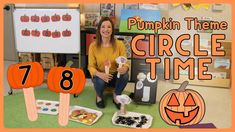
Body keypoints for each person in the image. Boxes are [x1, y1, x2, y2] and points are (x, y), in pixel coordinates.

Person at [88, 17, 129, 109]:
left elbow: (125, 62)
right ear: (99, 29)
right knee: (99, 81)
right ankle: (99, 96)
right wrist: (100, 74)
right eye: (103, 27)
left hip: (115, 75)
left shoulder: (119, 44)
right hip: (100, 75)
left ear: (112, 29)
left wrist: (124, 68)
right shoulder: (93, 46)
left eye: (109, 27)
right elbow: (91, 66)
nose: (106, 29)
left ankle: (116, 95)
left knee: (125, 75)